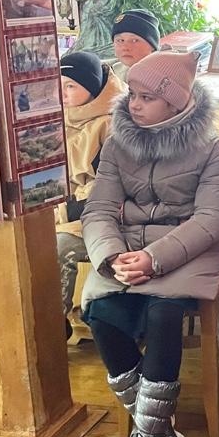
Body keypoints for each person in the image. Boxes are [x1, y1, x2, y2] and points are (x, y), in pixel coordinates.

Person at [80, 51, 219, 437]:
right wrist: (111, 256)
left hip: (185, 250)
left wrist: (154, 258)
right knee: (102, 315)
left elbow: (213, 217)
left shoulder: (212, 148)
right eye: (132, 94)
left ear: (176, 101)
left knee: (164, 315)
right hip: (126, 250)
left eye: (147, 97)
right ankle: (158, 432)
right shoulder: (117, 144)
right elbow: (98, 210)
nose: (134, 104)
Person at [55, 51, 125, 339]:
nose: (62, 93)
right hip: (60, 206)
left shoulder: (110, 124)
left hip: (99, 217)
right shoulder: (57, 117)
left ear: (93, 87)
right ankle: (11, 322)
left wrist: (62, 211)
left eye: (71, 85)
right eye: (58, 85)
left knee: (57, 248)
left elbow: (111, 190)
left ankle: (51, 326)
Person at [110, 9, 160, 82]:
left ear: (152, 46)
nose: (125, 47)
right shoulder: (112, 72)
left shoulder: (166, 75)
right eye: (120, 40)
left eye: (134, 40)